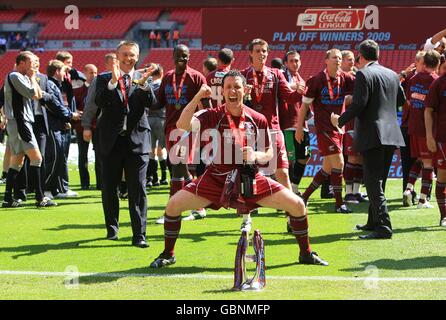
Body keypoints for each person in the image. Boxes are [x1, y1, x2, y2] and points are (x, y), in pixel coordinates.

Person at [149, 70, 328, 268]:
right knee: (173, 206)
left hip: (250, 178)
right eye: (228, 87)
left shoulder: (258, 118)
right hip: (216, 178)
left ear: (246, 90)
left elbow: (269, 153)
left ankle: (306, 253)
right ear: (223, 92)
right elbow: (182, 125)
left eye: (237, 87)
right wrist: (198, 96)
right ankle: (168, 254)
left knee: (297, 205)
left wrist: (256, 156)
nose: (233, 91)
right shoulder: (211, 115)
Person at [331, 39, 406, 239]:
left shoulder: (364, 73)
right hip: (391, 132)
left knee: (372, 181)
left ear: (361, 56)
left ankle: (383, 226)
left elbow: (359, 104)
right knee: (378, 182)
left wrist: (340, 120)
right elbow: (401, 100)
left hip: (373, 133)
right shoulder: (391, 74)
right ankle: (373, 222)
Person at [94, 41, 157, 247]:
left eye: (132, 55)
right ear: (117, 56)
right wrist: (113, 81)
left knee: (138, 188)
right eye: (124, 54)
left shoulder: (143, 78)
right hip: (110, 141)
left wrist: (146, 83)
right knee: (109, 187)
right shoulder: (103, 78)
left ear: (137, 57)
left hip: (137, 141)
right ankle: (112, 229)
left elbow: (151, 103)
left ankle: (139, 235)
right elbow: (100, 102)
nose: (128, 58)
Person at [241, 39, 304, 230]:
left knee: (283, 173)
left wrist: (300, 92)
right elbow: (234, 103)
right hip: (250, 131)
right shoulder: (243, 75)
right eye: (258, 50)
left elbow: (289, 97)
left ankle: (291, 217)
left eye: (265, 51)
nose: (262, 54)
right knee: (246, 175)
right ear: (250, 53)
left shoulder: (275, 74)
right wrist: (242, 95)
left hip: (273, 130)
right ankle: (246, 218)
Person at [296, 48, 355, 213]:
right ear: (326, 61)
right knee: (340, 163)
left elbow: (361, 85)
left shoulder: (346, 78)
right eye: (334, 58)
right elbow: (305, 105)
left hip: (339, 128)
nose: (337, 60)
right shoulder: (316, 80)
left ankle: (304, 197)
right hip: (323, 128)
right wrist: (299, 128)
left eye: (339, 58)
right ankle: (339, 204)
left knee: (327, 168)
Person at [156, 44, 209, 223]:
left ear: (189, 56)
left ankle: (171, 212)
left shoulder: (197, 77)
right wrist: (143, 92)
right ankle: (199, 206)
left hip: (188, 129)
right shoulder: (168, 77)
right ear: (173, 55)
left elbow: (207, 107)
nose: (182, 58)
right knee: (182, 170)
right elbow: (158, 103)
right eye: (179, 55)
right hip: (170, 129)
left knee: (177, 168)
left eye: (185, 55)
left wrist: (201, 127)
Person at [2, 51, 56, 208]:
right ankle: (40, 198)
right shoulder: (15, 76)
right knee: (37, 158)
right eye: (31, 61)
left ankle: (7, 199)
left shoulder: (23, 77)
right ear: (22, 62)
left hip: (21, 121)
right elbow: (34, 93)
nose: (34, 64)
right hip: (20, 122)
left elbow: (38, 95)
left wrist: (32, 80)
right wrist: (33, 78)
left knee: (18, 161)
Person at [403, 50, 440, 209]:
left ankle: (408, 189)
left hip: (412, 126)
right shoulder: (436, 80)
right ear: (437, 64)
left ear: (424, 63)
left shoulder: (413, 78)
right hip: (427, 128)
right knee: (428, 163)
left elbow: (409, 101)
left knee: (419, 160)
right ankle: (423, 200)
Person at [44, 60, 82, 199]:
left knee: (58, 157)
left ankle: (55, 189)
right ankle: (47, 189)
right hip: (52, 125)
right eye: (63, 71)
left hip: (58, 124)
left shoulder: (55, 84)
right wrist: (70, 115)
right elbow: (55, 105)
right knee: (54, 157)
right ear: (57, 71)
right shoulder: (50, 84)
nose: (66, 74)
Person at [82, 52, 116, 190]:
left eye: (117, 61)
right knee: (102, 156)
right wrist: (86, 126)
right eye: (112, 61)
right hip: (103, 126)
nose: (115, 64)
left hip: (122, 127)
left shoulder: (127, 77)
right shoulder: (100, 80)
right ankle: (103, 185)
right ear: (106, 64)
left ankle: (120, 185)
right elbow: (90, 104)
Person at [280, 50, 309, 197]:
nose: (294, 63)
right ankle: (287, 193)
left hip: (302, 123)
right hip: (288, 123)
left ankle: (294, 187)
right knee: (290, 160)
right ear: (285, 63)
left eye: (297, 60)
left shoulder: (300, 78)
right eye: (291, 61)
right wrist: (296, 87)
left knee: (304, 157)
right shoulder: (283, 76)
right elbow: (282, 90)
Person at [340, 50, 366, 204]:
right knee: (352, 156)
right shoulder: (340, 79)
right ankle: (348, 193)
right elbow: (342, 100)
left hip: (360, 121)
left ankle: (356, 192)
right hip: (348, 122)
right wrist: (359, 98)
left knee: (360, 157)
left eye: (352, 60)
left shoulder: (356, 77)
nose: (351, 62)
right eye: (348, 59)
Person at [425, 63, 446, 227]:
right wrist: (429, 136)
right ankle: (444, 216)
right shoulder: (438, 83)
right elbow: (428, 110)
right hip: (443, 139)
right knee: (442, 177)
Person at [73, 64, 97, 190]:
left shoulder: (100, 90)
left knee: (100, 155)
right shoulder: (77, 92)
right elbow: (72, 108)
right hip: (82, 127)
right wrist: (76, 111)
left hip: (98, 127)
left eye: (95, 72)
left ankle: (101, 183)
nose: (94, 75)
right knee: (83, 155)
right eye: (91, 72)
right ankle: (84, 184)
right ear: (85, 74)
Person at [145, 63, 169, 187]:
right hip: (162, 118)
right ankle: (165, 177)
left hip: (149, 118)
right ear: (161, 73)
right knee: (163, 149)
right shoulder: (163, 86)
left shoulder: (147, 85)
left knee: (151, 150)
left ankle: (152, 178)